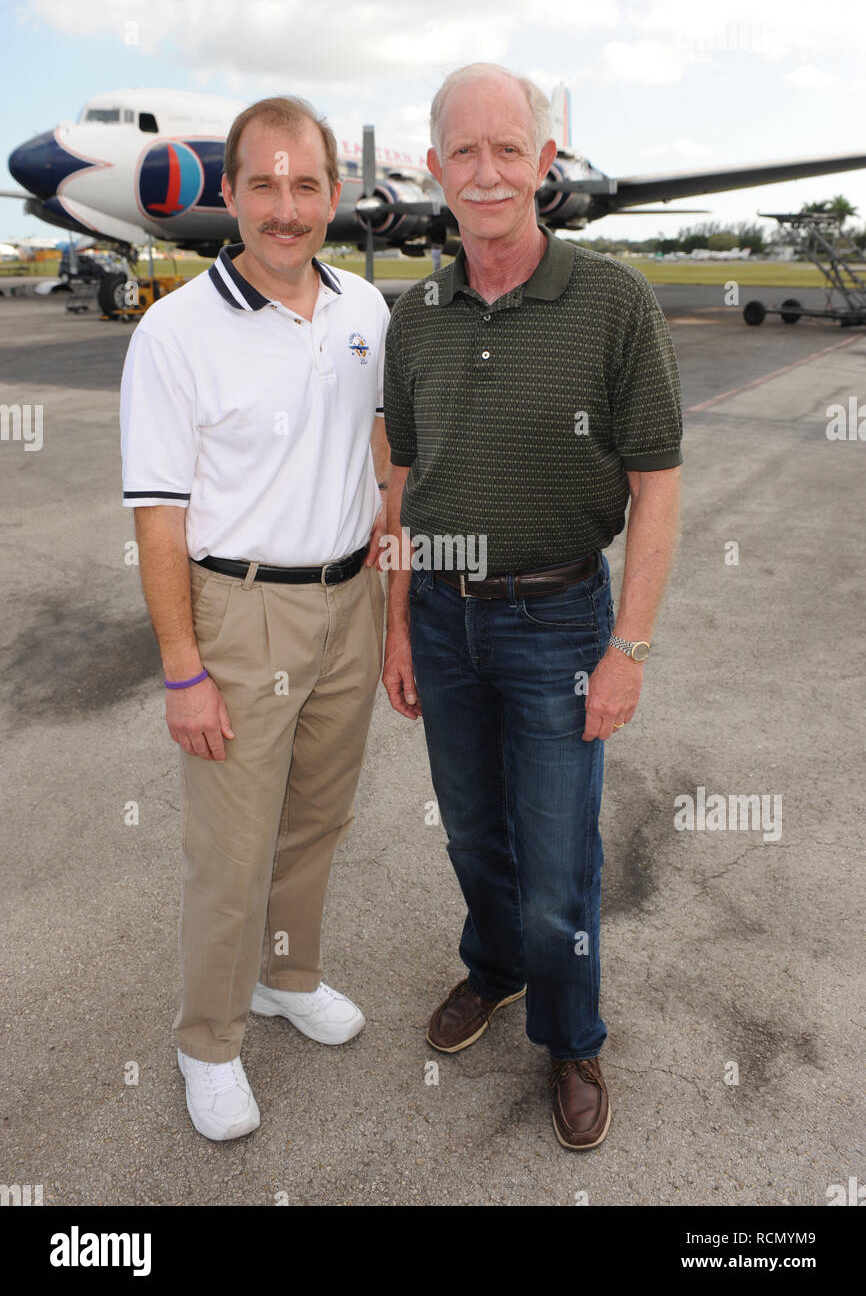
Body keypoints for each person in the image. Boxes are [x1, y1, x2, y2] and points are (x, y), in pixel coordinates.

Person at [382, 62, 682, 1150]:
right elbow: (402, 483)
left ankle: (571, 1036)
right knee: (472, 833)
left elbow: (655, 484)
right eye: (464, 151)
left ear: (543, 164)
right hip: (441, 622)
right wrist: (395, 627)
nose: (486, 170)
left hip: (559, 619)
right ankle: (496, 970)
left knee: (558, 859)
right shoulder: (412, 314)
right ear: (435, 171)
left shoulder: (611, 302)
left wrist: (628, 646)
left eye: (508, 149)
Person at [120, 96, 389, 1141]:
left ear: (334, 194)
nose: (287, 208)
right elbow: (156, 513)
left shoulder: (366, 309)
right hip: (238, 612)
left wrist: (393, 597)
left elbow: (381, 458)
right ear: (226, 193)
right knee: (230, 849)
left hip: (347, 600)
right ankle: (208, 1041)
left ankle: (288, 976)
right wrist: (183, 669)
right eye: (263, 185)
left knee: (316, 820)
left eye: (306, 184)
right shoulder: (174, 331)